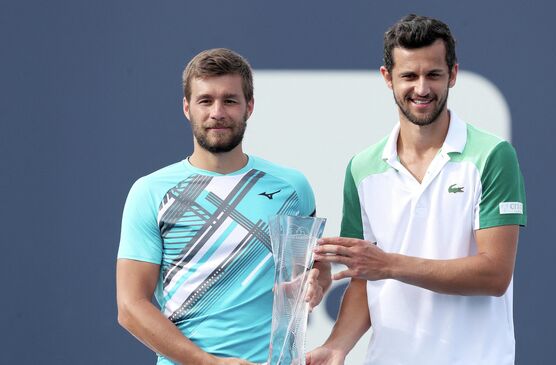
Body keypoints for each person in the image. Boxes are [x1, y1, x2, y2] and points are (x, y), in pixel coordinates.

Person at [308, 14, 527, 365]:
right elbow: (364, 279)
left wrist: (390, 265)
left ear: (453, 75)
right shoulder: (362, 168)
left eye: (434, 75)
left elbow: (494, 274)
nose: (422, 89)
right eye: (409, 76)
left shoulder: (492, 156)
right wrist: (336, 346)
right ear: (387, 78)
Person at [116, 48, 331, 365]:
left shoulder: (292, 188)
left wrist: (318, 282)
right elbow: (130, 306)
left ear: (250, 107)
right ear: (187, 108)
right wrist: (209, 363)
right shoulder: (150, 192)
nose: (217, 112)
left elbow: (317, 268)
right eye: (206, 101)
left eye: (230, 100)